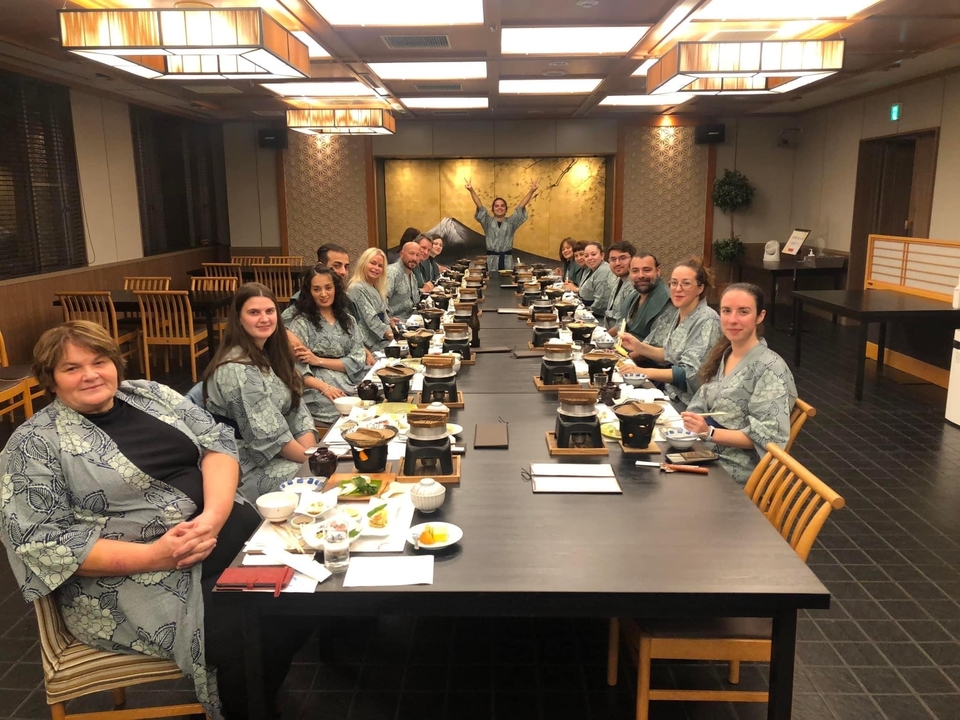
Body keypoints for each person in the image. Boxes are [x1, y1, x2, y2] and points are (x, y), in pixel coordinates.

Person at [0, 321, 309, 720]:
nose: (91, 374)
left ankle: (257, 691)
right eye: (71, 368)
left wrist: (214, 517)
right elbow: (39, 543)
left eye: (99, 361)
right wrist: (157, 555)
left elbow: (217, 441)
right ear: (51, 380)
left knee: (303, 596)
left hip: (220, 538)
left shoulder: (150, 395)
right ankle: (247, 704)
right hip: (134, 581)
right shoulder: (33, 445)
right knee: (253, 620)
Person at [203, 283, 316, 501]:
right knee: (323, 486)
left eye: (269, 311)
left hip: (283, 453)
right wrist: (313, 463)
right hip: (246, 465)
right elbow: (269, 438)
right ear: (239, 318)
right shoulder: (236, 368)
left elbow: (296, 410)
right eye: (254, 312)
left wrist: (313, 455)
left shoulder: (270, 354)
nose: (264, 319)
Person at [682, 283, 797, 483]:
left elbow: (769, 436)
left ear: (760, 316)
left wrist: (709, 432)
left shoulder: (770, 367)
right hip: (707, 450)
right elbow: (703, 401)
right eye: (726, 311)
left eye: (743, 312)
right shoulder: (726, 353)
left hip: (736, 466)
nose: (733, 320)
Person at [619, 257, 721, 406]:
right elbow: (668, 354)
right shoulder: (680, 313)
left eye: (686, 283)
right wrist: (638, 346)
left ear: (700, 287)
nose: (678, 289)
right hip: (669, 392)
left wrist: (641, 371)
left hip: (689, 403)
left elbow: (690, 374)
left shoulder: (707, 319)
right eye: (674, 283)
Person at [284, 266, 367, 424]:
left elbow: (357, 359)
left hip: (348, 381)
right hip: (315, 387)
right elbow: (296, 370)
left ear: (336, 288)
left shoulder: (348, 320)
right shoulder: (301, 323)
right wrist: (324, 387)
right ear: (309, 292)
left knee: (371, 396)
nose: (323, 294)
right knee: (338, 408)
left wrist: (318, 360)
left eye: (328, 288)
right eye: (316, 289)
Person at [465, 178, 539, 272]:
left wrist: (532, 191)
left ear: (506, 209)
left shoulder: (511, 222)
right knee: (491, 284)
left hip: (506, 261)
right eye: (496, 206)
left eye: (502, 205)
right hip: (491, 261)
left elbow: (520, 207)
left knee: (507, 284)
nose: (499, 208)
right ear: (493, 209)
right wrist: (471, 190)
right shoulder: (487, 221)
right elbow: (480, 206)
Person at [348, 247, 394, 351]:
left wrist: (390, 323)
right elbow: (371, 320)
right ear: (363, 263)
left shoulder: (376, 287)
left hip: (382, 338)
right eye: (373, 263)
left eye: (380, 266)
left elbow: (383, 314)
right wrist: (392, 335)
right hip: (370, 344)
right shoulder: (357, 288)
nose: (376, 268)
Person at [622, 252, 672, 339]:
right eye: (635, 271)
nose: (641, 275)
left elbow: (657, 344)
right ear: (630, 273)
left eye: (647, 270)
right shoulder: (632, 297)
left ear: (658, 271)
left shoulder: (667, 300)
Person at [599, 240, 637, 330]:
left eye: (623, 258)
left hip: (621, 339)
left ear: (633, 259)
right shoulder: (618, 280)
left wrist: (605, 336)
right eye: (613, 259)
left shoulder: (635, 286)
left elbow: (627, 323)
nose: (617, 263)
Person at [386, 240, 421, 321]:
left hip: (411, 321)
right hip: (395, 324)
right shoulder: (392, 271)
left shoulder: (411, 274)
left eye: (418, 255)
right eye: (411, 253)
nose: (414, 258)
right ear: (401, 254)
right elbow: (382, 301)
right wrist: (387, 322)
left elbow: (415, 301)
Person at [576, 241, 613, 312]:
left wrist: (585, 311)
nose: (590, 258)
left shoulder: (604, 270)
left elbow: (601, 303)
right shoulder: (588, 270)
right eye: (586, 256)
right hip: (585, 307)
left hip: (598, 315)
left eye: (593, 254)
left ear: (602, 255)